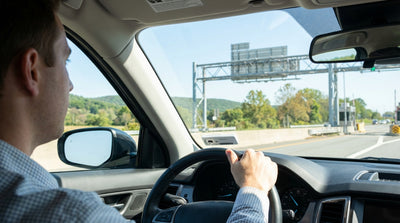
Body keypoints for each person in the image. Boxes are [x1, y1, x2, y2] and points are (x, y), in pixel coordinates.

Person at [0, 0, 278, 222]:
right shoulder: (68, 214)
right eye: (66, 61)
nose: (71, 85)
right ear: (32, 70)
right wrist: (252, 191)